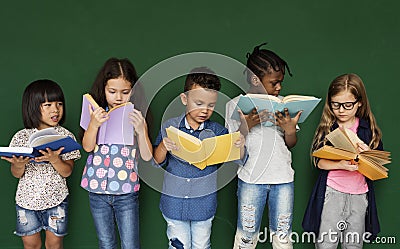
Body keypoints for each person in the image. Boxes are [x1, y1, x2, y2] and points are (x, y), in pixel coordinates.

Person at [153, 67, 247, 249]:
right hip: (173, 204)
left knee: (202, 245)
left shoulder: (219, 132)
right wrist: (164, 146)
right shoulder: (170, 126)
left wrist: (239, 145)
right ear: (184, 99)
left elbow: (240, 159)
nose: (205, 110)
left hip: (203, 206)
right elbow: (156, 161)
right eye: (198, 103)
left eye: (211, 105)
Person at [225, 43, 302, 249]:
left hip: (283, 178)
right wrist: (245, 126)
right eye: (274, 83)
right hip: (251, 179)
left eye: (280, 82)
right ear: (255, 79)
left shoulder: (283, 104)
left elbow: (291, 144)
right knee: (247, 235)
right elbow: (233, 150)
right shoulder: (234, 106)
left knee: (283, 236)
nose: (279, 88)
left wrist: (290, 129)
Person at [302, 73, 383, 248]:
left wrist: (368, 153)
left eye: (347, 105)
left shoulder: (367, 129)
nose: (341, 110)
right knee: (326, 244)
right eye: (335, 105)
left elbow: (380, 164)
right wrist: (340, 164)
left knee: (353, 245)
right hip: (332, 193)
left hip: (359, 195)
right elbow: (319, 162)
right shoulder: (328, 127)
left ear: (359, 102)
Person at [80, 58, 153, 249]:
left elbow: (147, 156)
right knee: (106, 242)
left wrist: (141, 130)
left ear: (133, 91)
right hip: (97, 190)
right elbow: (87, 147)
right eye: (112, 92)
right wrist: (94, 124)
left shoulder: (136, 116)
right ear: (103, 89)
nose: (118, 97)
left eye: (125, 92)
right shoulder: (97, 113)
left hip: (126, 192)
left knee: (130, 244)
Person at [1, 79, 81, 249]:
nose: (55, 109)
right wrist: (19, 164)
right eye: (48, 105)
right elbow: (16, 173)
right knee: (31, 244)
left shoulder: (65, 136)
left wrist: (54, 159)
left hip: (56, 200)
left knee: (55, 244)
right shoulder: (21, 137)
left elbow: (67, 172)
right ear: (32, 106)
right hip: (26, 202)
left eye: (59, 104)